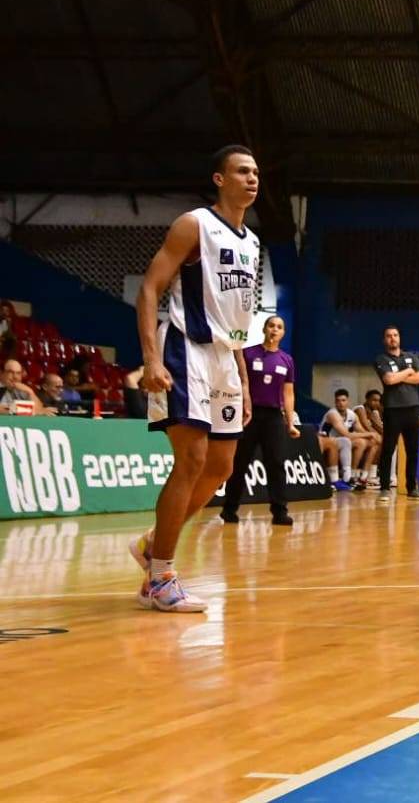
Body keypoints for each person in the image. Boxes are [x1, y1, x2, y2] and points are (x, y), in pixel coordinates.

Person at [128, 145, 261, 613]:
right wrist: (150, 359)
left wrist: (242, 377)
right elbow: (149, 288)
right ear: (220, 179)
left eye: (256, 172)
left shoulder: (252, 242)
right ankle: (159, 577)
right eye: (242, 171)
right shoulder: (194, 224)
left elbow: (239, 318)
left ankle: (152, 544)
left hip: (226, 358)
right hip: (184, 347)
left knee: (221, 468)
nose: (252, 178)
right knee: (191, 459)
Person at [221, 314, 298, 524]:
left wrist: (290, 422)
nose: (274, 329)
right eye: (271, 325)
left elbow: (288, 393)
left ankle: (280, 512)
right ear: (265, 329)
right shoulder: (247, 354)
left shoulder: (287, 360)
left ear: (283, 333)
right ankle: (229, 509)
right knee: (240, 463)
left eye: (279, 327)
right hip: (248, 415)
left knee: (276, 463)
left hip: (274, 417)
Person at [374, 325, 419, 501]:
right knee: (388, 449)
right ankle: (385, 488)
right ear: (384, 340)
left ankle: (412, 488)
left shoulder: (411, 357)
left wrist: (400, 377)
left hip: (412, 407)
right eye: (389, 336)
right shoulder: (381, 358)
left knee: (413, 450)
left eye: (395, 335)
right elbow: (388, 380)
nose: (393, 338)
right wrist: (409, 372)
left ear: (399, 338)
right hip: (392, 409)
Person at [318, 389, 364, 491]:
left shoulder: (352, 414)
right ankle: (344, 478)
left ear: (348, 401)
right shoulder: (332, 413)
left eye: (343, 400)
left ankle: (355, 476)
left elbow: (361, 430)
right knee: (346, 440)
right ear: (335, 402)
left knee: (362, 442)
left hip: (339, 441)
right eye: (338, 401)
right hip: (326, 441)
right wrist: (371, 434)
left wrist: (372, 436)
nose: (341, 403)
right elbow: (346, 434)